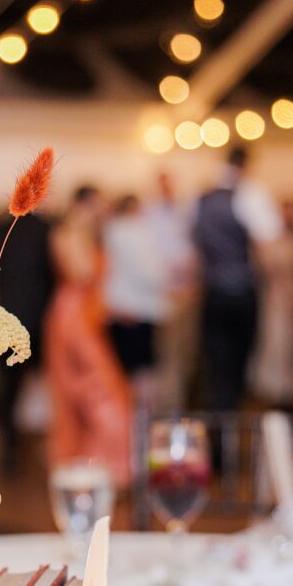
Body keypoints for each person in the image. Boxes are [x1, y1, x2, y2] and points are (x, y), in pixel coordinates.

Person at [44, 186, 132, 487]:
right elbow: (81, 273)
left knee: (97, 391)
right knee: (96, 390)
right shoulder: (67, 235)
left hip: (88, 319)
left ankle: (100, 465)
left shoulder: (86, 235)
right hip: (72, 319)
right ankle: (99, 466)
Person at [193, 146, 282, 411]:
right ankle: (229, 432)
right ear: (248, 164)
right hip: (242, 292)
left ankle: (220, 433)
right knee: (238, 369)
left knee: (216, 368)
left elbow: (194, 251)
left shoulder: (202, 198)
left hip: (212, 292)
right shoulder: (251, 195)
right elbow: (268, 254)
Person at [0, 211, 55, 471]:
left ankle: (11, 451)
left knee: (9, 391)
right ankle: (40, 446)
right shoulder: (46, 227)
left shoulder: (0, 227)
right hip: (40, 319)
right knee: (43, 387)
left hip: (9, 317)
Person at [145, 172, 198, 410]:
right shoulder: (149, 214)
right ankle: (165, 404)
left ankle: (178, 403)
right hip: (161, 292)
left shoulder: (184, 212)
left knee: (184, 352)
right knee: (164, 352)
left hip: (185, 292)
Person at [103, 194, 169, 380]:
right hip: (138, 308)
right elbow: (150, 272)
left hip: (117, 306)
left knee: (122, 365)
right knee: (141, 368)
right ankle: (140, 408)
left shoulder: (110, 230)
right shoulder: (134, 232)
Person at [251, 199, 293, 407]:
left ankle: (290, 391)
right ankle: (275, 391)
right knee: (276, 345)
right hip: (275, 301)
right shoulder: (270, 243)